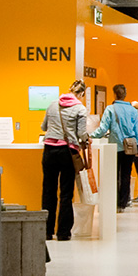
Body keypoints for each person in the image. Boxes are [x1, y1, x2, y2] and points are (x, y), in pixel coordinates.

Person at [41, 80, 89, 240]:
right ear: (82, 93)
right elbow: (81, 133)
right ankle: (63, 232)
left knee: (48, 191)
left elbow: (44, 127)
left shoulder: (52, 105)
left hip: (49, 151)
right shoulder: (80, 109)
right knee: (66, 193)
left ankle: (47, 231)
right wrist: (87, 138)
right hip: (67, 152)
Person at [90, 84, 138, 210]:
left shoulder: (110, 109)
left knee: (114, 175)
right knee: (126, 175)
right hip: (130, 147)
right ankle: (123, 203)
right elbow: (137, 130)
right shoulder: (132, 110)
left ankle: (113, 201)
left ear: (114, 94)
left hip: (115, 147)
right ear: (125, 95)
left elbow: (103, 128)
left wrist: (91, 136)